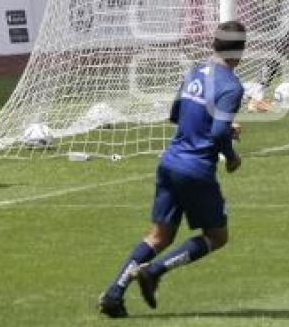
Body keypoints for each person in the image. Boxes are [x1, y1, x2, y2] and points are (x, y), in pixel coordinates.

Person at [98, 20, 248, 318]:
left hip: (169, 162)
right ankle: (154, 271)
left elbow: (178, 114)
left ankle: (114, 295)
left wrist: (217, 127)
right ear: (241, 52)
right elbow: (217, 134)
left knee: (159, 236)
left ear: (214, 44)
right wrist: (231, 156)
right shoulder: (231, 86)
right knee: (217, 236)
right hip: (195, 169)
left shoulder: (194, 72)